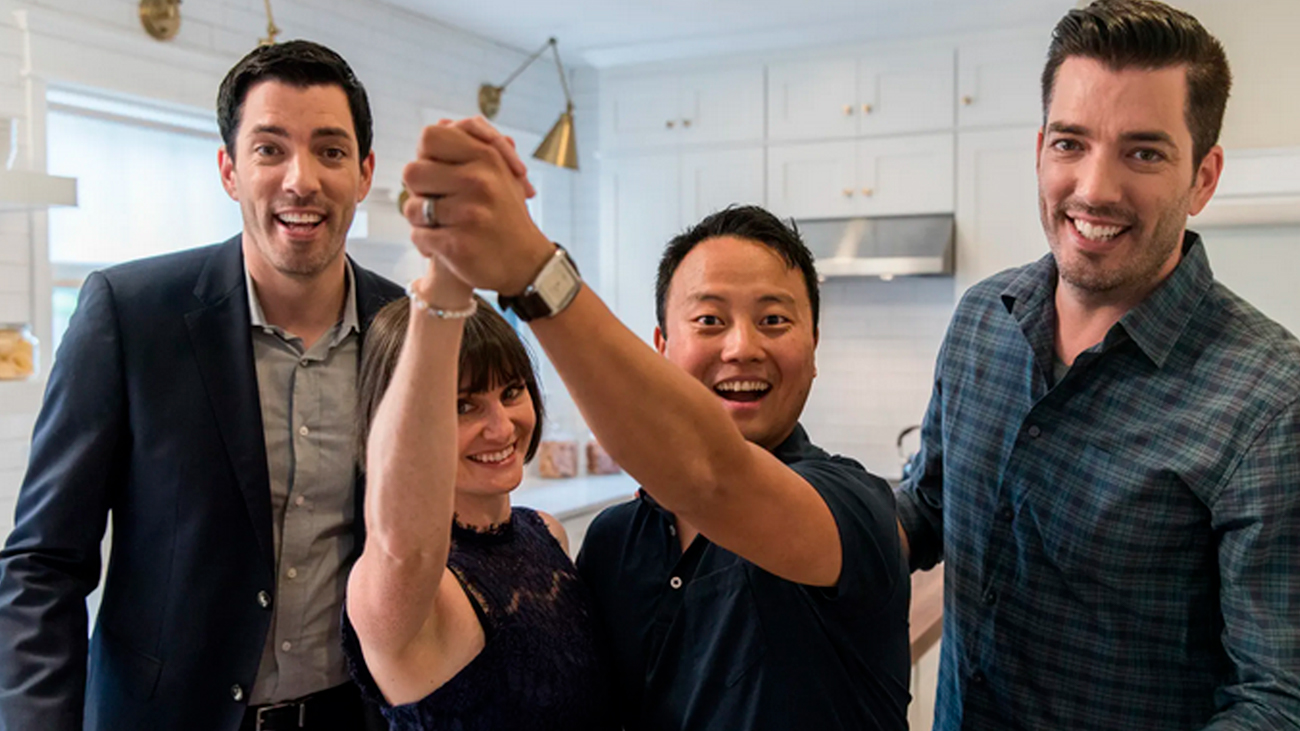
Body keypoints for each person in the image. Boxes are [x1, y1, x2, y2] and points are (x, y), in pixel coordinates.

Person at [399, 109, 912, 730]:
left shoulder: (856, 509)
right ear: (661, 346)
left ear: (814, 346)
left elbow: (714, 478)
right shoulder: (614, 544)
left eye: (774, 320)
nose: (742, 347)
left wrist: (533, 272)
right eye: (709, 320)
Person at [895, 1, 1300, 728]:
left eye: (1143, 153)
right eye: (1070, 143)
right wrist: (753, 497)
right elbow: (926, 508)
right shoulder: (982, 320)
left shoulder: (1271, 401)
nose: (1094, 189)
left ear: (1203, 177)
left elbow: (1276, 698)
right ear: (1040, 149)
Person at [0, 41, 406, 730]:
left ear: (364, 174)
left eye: (331, 151)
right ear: (229, 170)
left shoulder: (407, 328)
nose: (301, 179)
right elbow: (44, 563)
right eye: (270, 149)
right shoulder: (130, 314)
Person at [340, 256, 614, 729]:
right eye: (463, 406)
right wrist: (447, 276)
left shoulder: (545, 533)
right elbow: (404, 540)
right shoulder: (397, 586)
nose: (502, 427)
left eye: (511, 392)